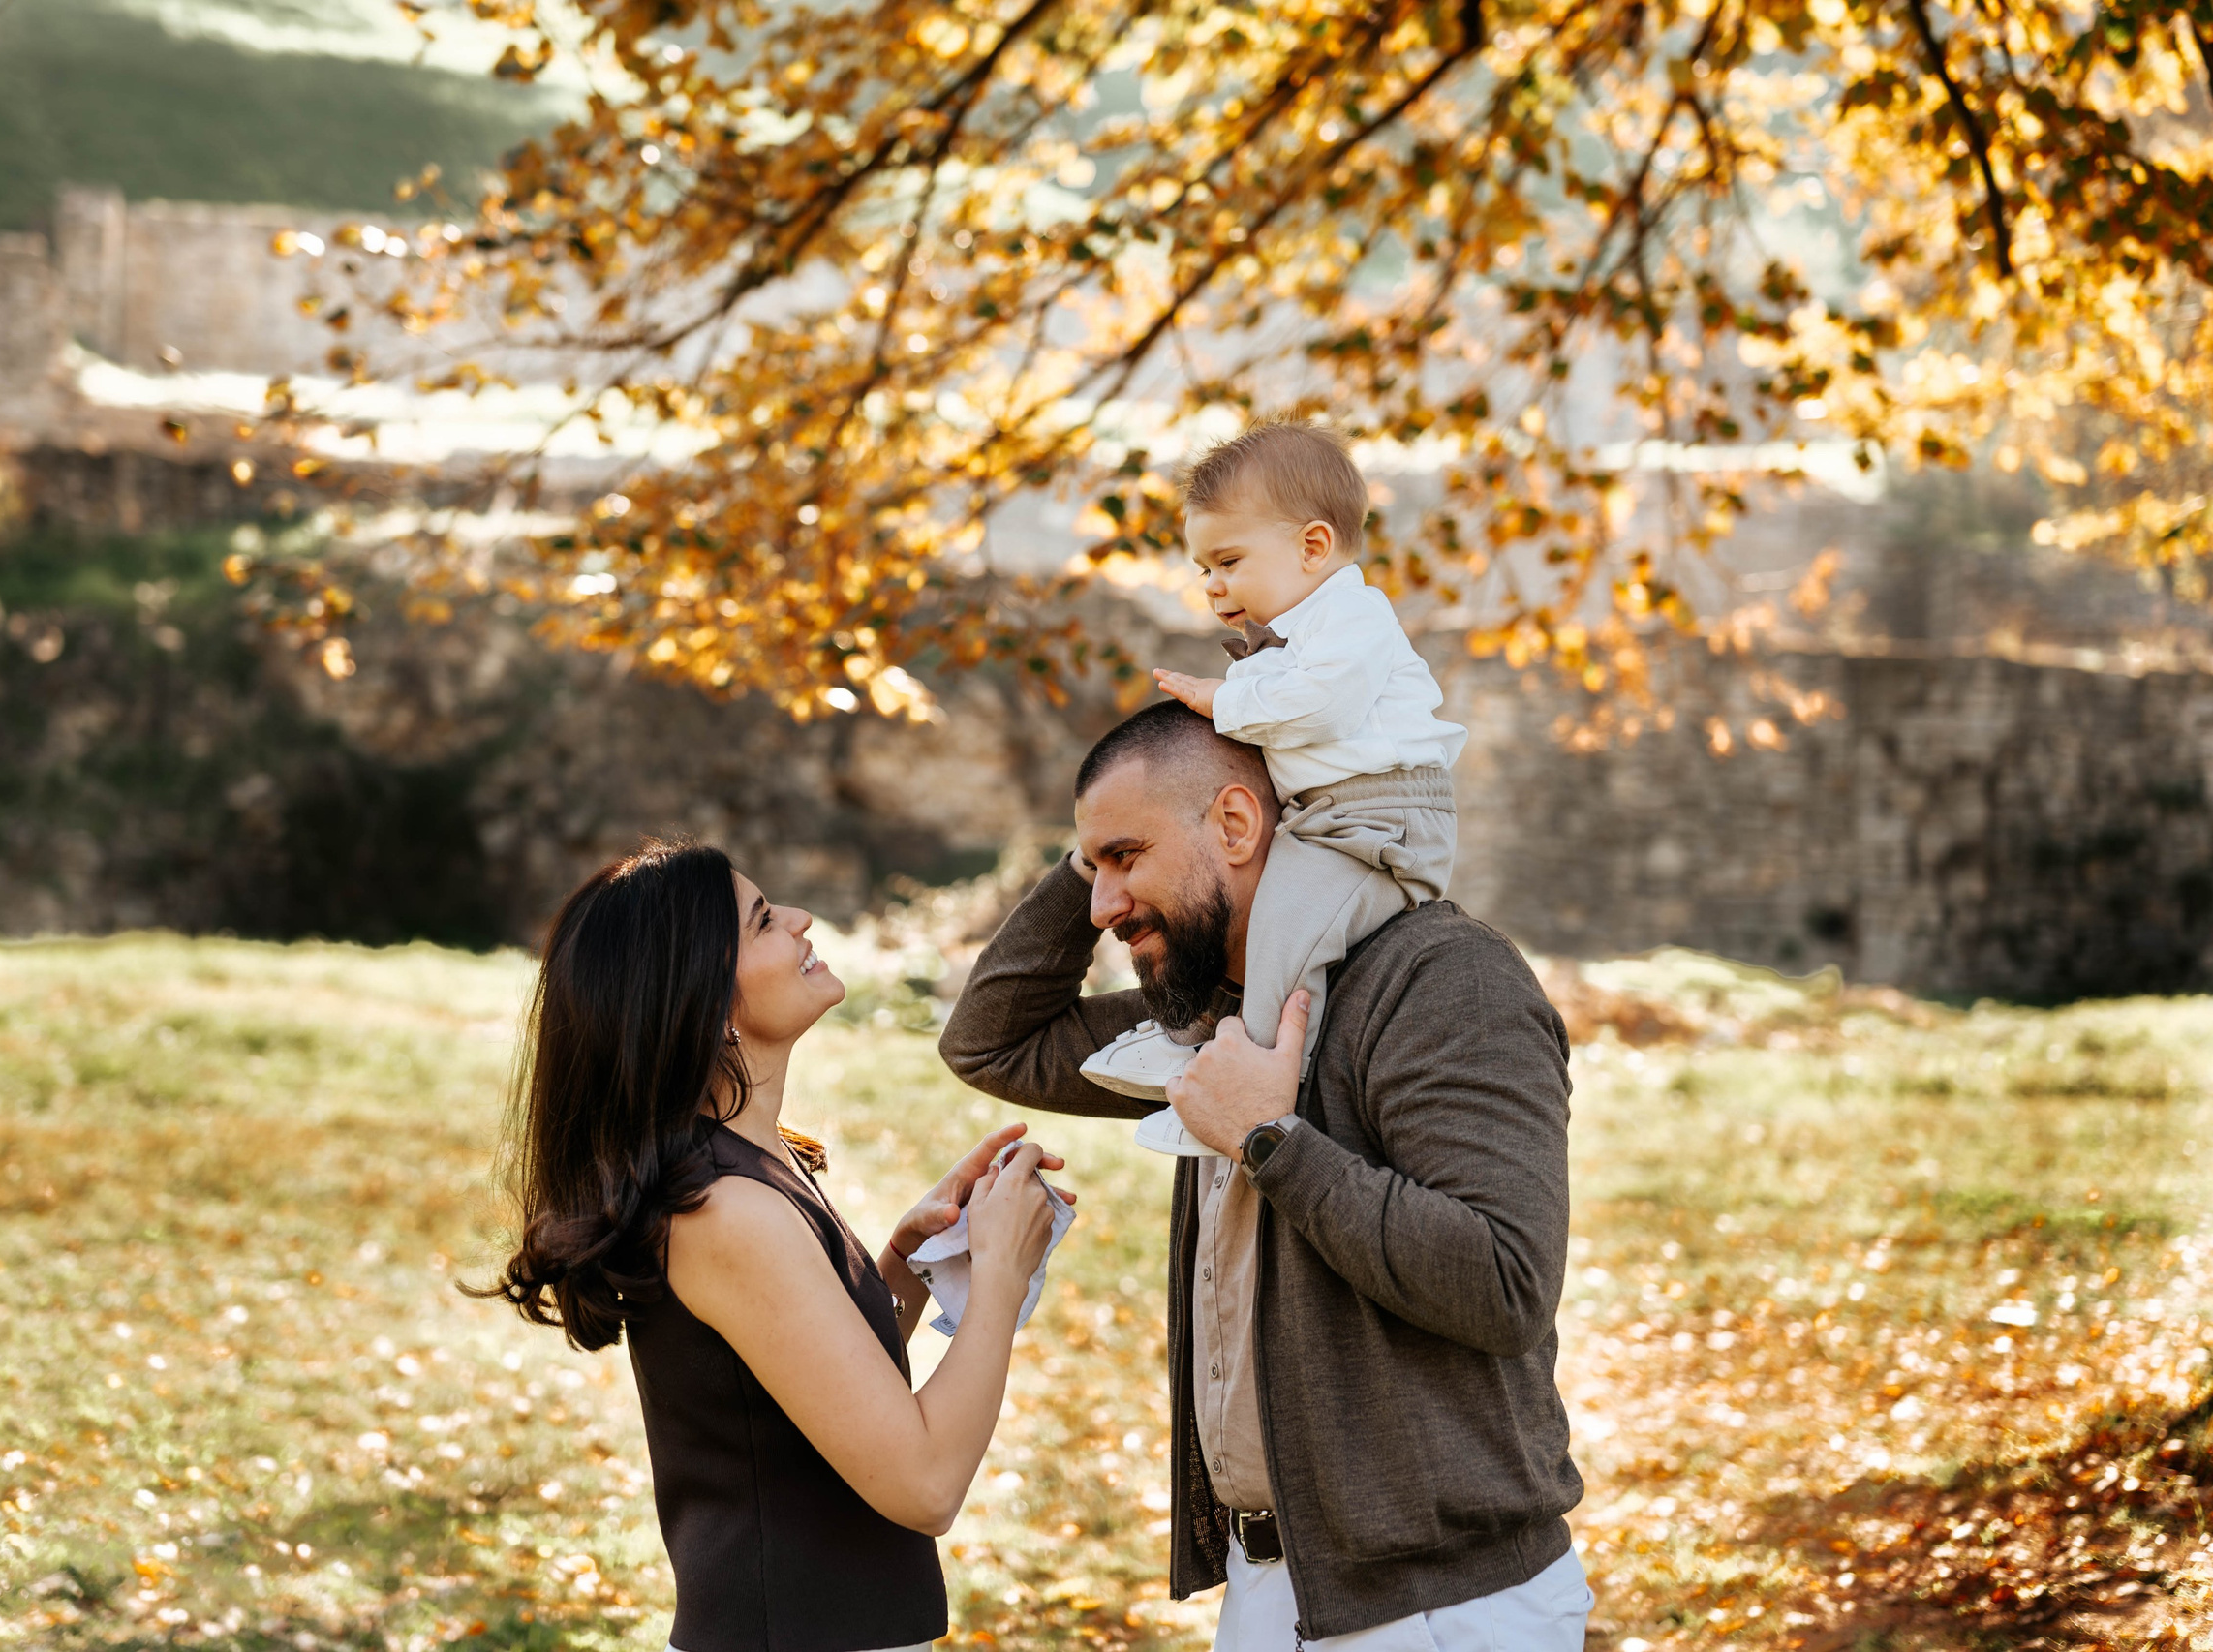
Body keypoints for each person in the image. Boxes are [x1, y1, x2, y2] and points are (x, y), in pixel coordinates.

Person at [939, 704, 1588, 1650]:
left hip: (1437, 1610)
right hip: (1272, 1587)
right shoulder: (1212, 1017)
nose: (1102, 906)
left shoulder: (1440, 977)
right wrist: (1088, 852)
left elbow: (1504, 1281)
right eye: (1093, 867)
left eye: (1124, 855)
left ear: (1237, 826)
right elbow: (994, 1041)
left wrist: (1267, 1137)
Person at [476, 839, 1069, 1652]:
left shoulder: (749, 1164)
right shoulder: (724, 1209)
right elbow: (924, 1485)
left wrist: (904, 1263)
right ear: (706, 1000)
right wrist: (998, 1271)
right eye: (762, 920)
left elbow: (807, 1402)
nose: (800, 919)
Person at [1083, 420, 1466, 1159]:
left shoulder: (1354, 620)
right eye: (1203, 566)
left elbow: (1322, 707)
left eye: (1228, 559)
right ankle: (1199, 1037)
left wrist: (1220, 700)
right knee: (1244, 914)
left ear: (1312, 547)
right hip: (1329, 812)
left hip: (1382, 817)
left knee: (1289, 931)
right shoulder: (1292, 637)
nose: (1213, 583)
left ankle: (1247, 1085)